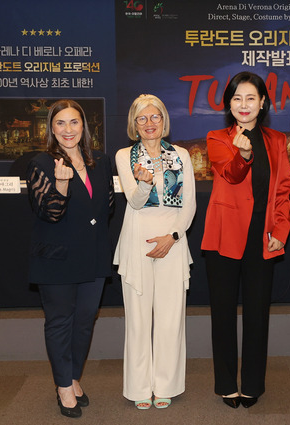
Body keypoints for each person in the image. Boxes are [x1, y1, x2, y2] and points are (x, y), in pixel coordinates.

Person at [201, 71, 290, 408]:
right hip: (224, 237)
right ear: (228, 103)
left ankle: (253, 383)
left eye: (250, 98)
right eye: (237, 98)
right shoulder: (217, 137)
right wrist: (243, 154)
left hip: (263, 238)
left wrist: (280, 233)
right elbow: (231, 174)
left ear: (263, 103)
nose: (244, 105)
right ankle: (226, 383)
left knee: (257, 315)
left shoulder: (277, 141)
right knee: (223, 315)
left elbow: (283, 190)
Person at [26, 99, 114, 418]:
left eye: (74, 122)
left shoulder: (101, 161)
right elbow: (49, 214)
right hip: (56, 259)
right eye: (60, 123)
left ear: (83, 126)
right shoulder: (39, 163)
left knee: (85, 321)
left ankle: (74, 376)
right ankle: (63, 385)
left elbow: (106, 206)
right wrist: (61, 185)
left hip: (92, 256)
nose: (67, 129)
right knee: (60, 322)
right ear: (51, 128)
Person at [114, 94, 196, 410]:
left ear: (164, 121)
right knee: (137, 319)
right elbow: (134, 201)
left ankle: (166, 384)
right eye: (142, 119)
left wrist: (173, 236)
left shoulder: (181, 155)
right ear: (134, 125)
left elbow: (189, 204)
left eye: (155, 117)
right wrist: (145, 184)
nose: (150, 124)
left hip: (173, 242)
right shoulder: (125, 156)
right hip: (137, 241)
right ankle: (138, 387)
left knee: (170, 317)